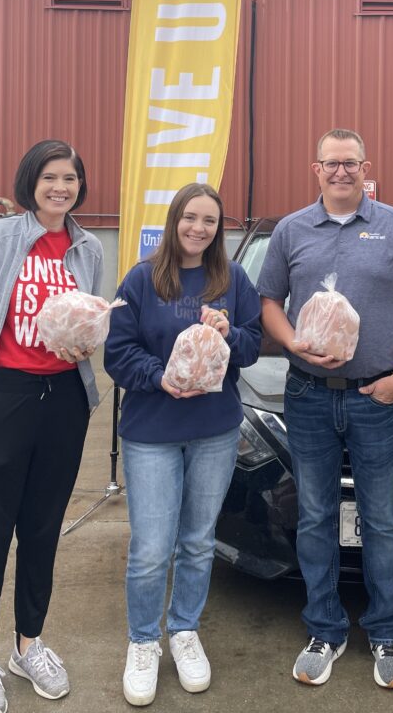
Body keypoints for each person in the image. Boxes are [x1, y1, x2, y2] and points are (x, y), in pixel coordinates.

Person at [257, 128, 393, 690]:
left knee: (382, 518)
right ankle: (325, 630)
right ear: (316, 170)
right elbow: (268, 302)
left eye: (350, 163)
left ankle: (386, 633)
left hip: (376, 395)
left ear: (366, 167)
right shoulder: (291, 230)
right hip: (308, 395)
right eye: (330, 163)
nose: (340, 172)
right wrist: (291, 342)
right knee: (314, 515)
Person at [0, 139, 104, 713]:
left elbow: (84, 322)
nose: (60, 188)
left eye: (70, 179)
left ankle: (29, 644)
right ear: (30, 182)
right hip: (2, 398)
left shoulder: (87, 248)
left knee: (42, 530)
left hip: (62, 400)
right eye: (50, 178)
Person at [104, 182, 261, 707]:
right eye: (190, 218)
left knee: (198, 539)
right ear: (174, 221)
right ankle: (144, 641)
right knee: (151, 548)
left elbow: (254, 346)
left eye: (210, 221)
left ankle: (184, 631)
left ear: (220, 228)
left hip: (215, 430)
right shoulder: (142, 278)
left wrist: (229, 332)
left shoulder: (233, 278)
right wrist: (158, 375)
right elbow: (117, 352)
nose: (199, 228)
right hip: (152, 432)